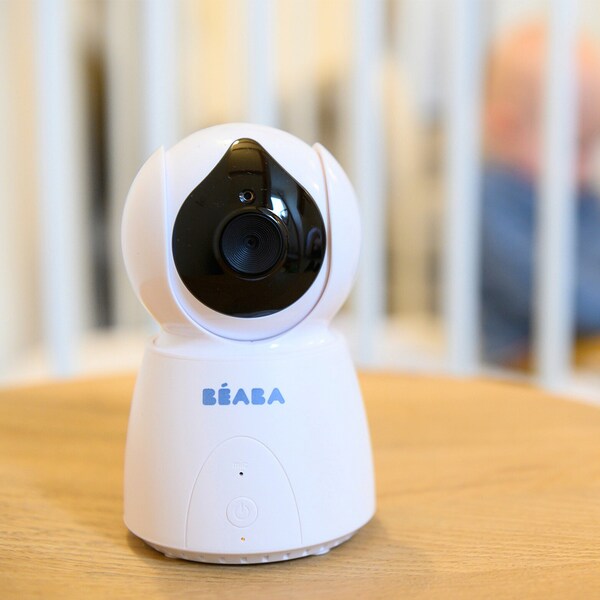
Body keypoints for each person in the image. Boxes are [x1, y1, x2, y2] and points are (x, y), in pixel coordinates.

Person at [480, 22, 600, 366]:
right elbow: (548, 293)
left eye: (593, 144)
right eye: (576, 144)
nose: (586, 167)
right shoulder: (492, 200)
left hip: (580, 348)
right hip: (520, 360)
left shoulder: (581, 198)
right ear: (507, 128)